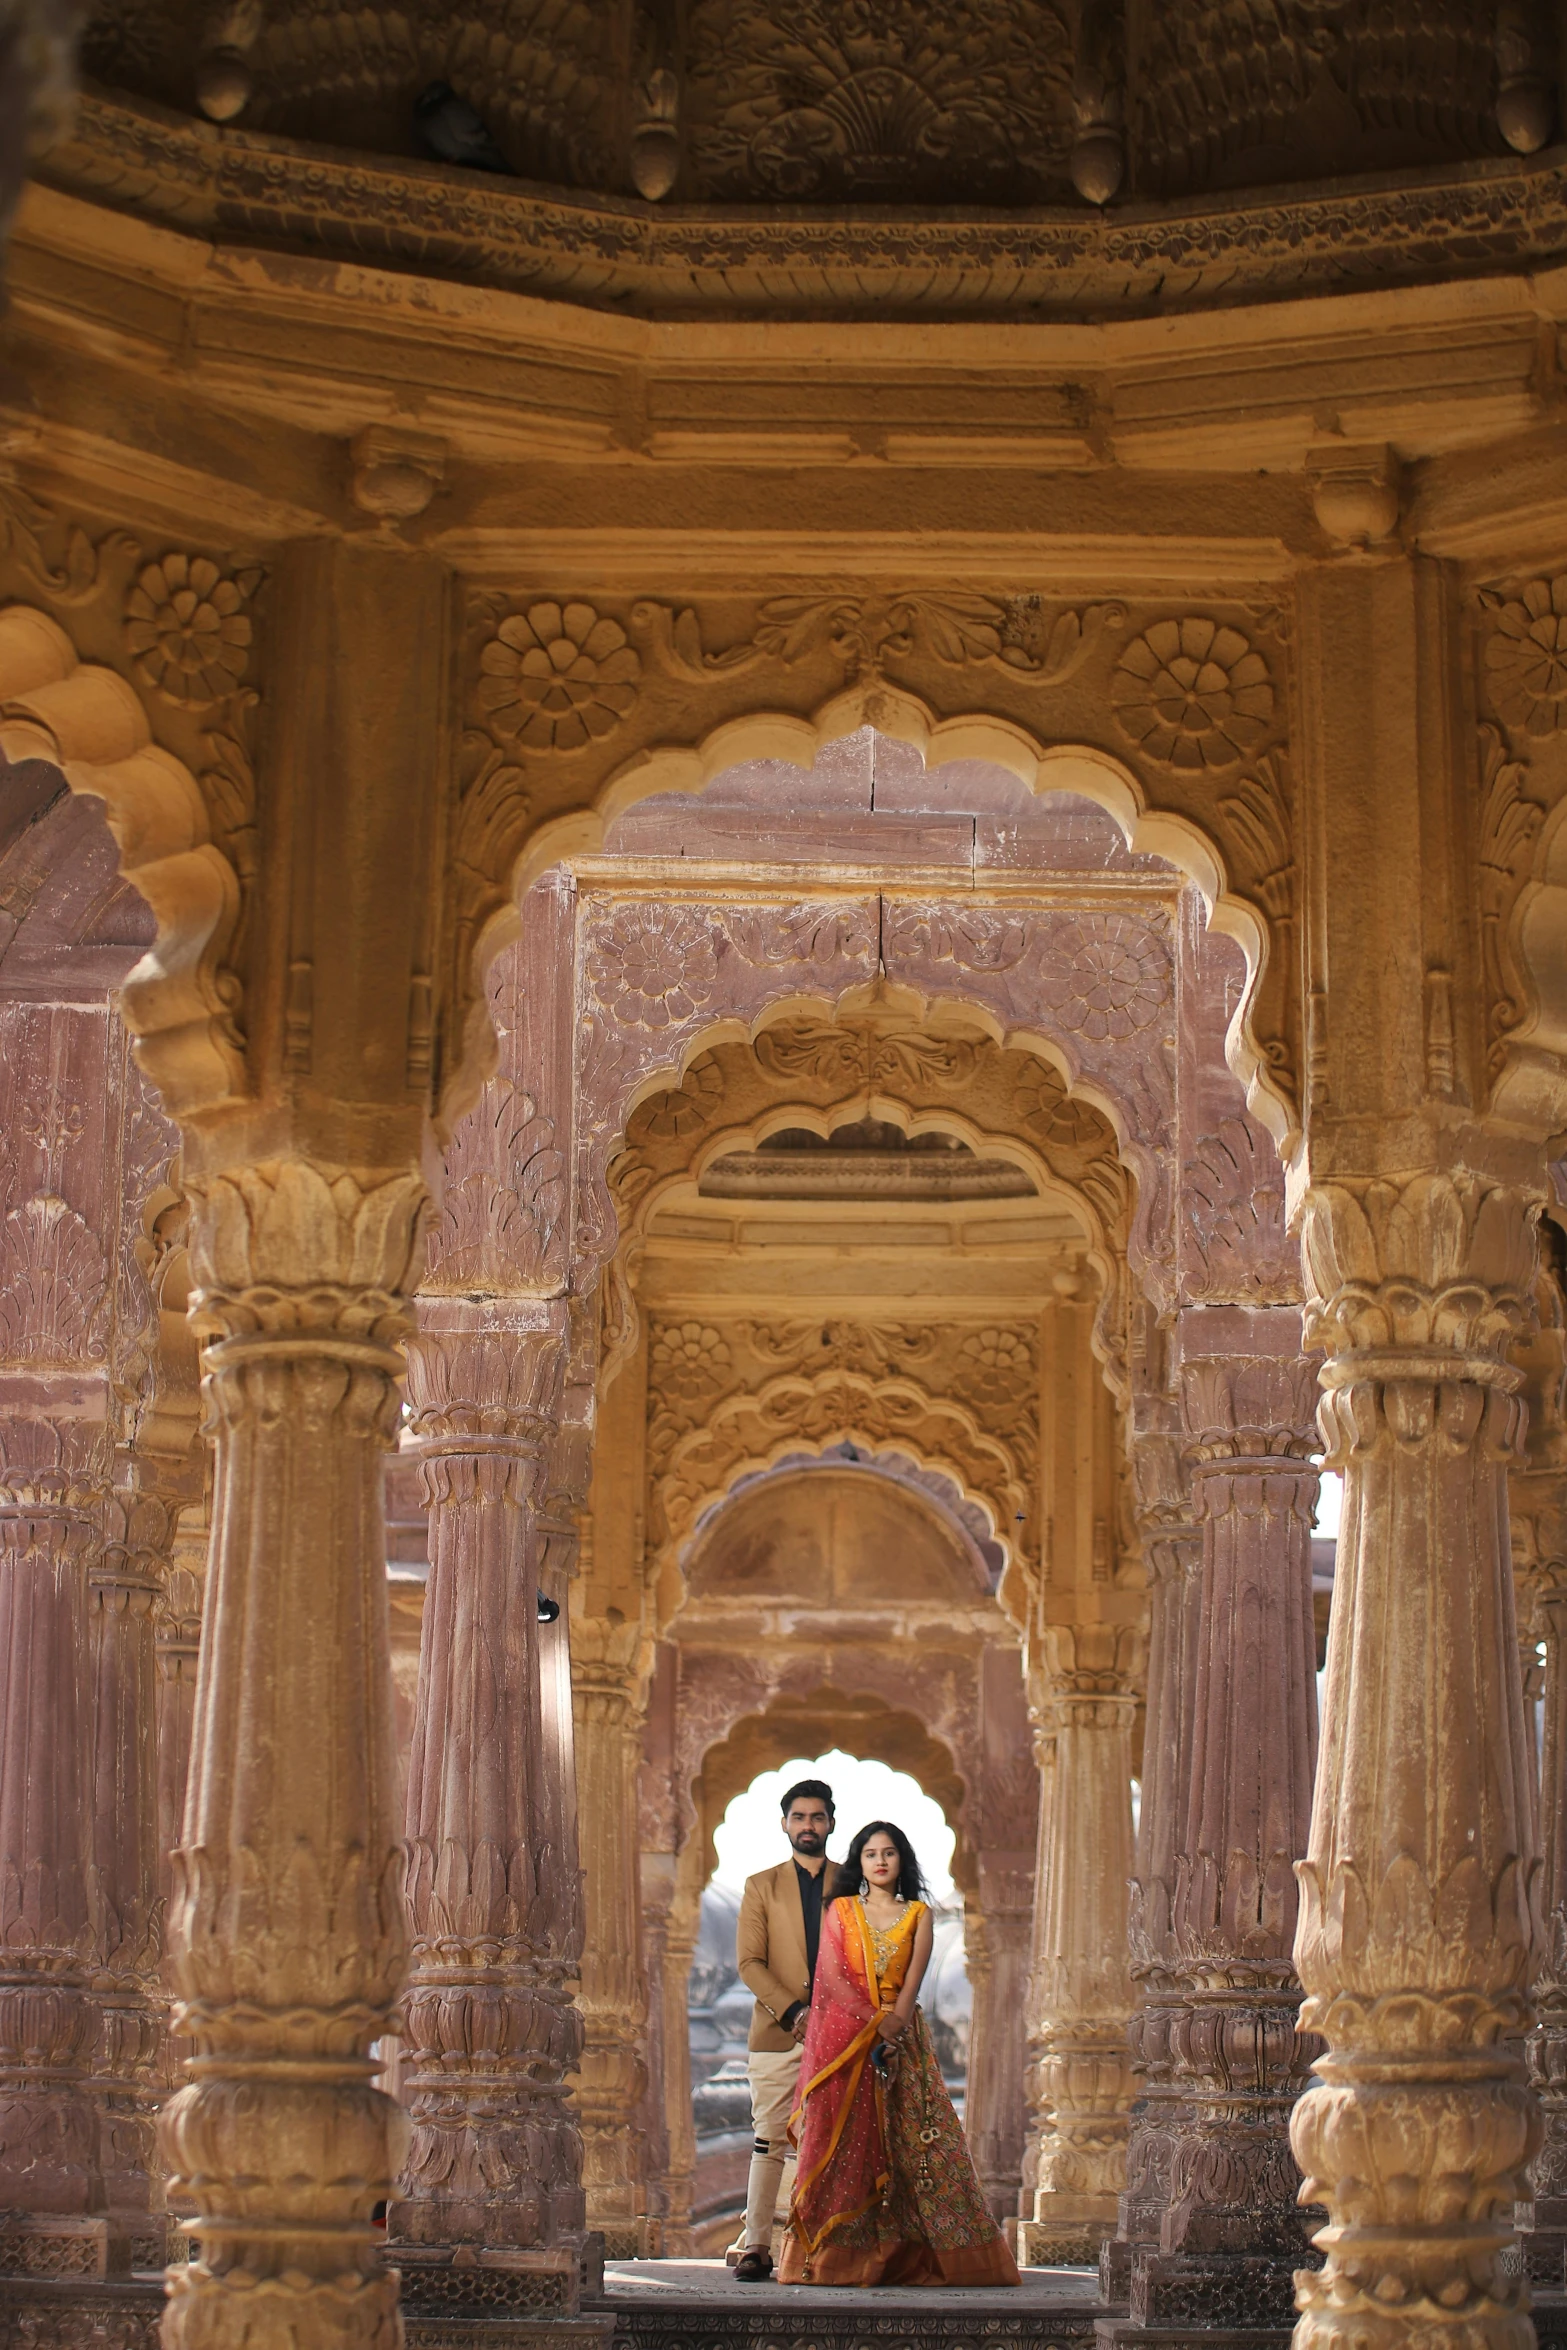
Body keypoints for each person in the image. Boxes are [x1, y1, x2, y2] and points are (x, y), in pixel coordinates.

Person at [777, 1821, 1021, 2288]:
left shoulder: (918, 1915)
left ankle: (911, 2253)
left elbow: (913, 1981)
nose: (881, 1861)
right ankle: (837, 2261)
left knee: (917, 2148)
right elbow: (832, 1979)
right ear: (860, 1863)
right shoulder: (841, 1911)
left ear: (902, 1861)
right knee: (845, 2147)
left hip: (902, 2040)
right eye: (871, 1854)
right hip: (848, 2047)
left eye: (890, 1853)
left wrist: (893, 2029)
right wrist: (872, 2027)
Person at [731, 1778, 835, 2281]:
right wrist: (795, 2013)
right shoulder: (761, 1885)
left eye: (816, 1817)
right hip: (778, 2033)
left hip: (838, 2036)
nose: (808, 1826)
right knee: (770, 2138)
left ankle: (819, 2246)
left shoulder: (852, 1885)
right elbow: (749, 1963)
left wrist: (830, 2019)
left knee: (831, 2140)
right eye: (799, 1817)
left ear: (830, 1823)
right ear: (785, 1824)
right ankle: (757, 2245)